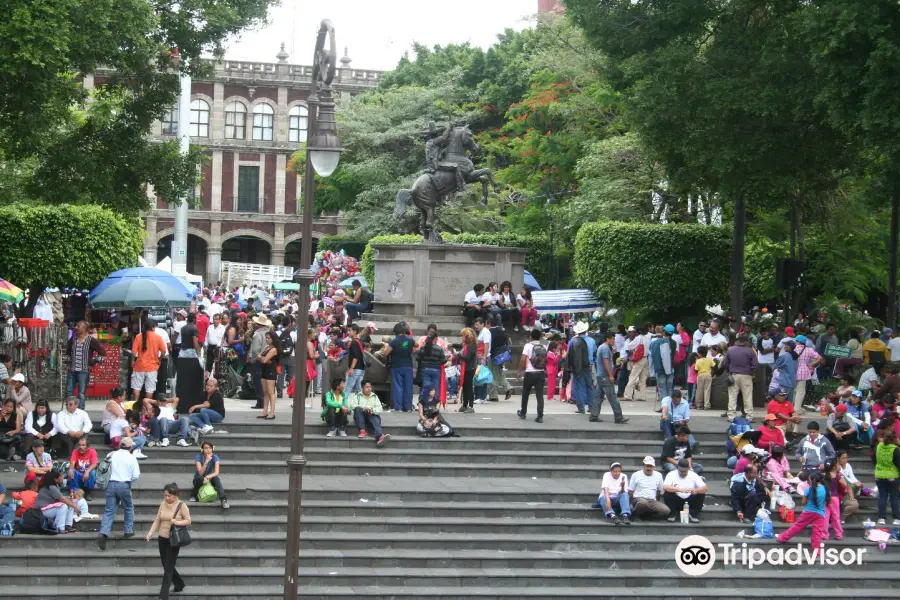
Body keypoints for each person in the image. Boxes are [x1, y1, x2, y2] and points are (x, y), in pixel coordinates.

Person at [146, 483, 192, 599]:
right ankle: (179, 583)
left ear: (175, 495)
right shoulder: (162, 505)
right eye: (165, 495)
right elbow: (157, 520)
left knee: (168, 567)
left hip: (174, 540)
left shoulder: (182, 506)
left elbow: (188, 521)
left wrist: (177, 522)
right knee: (166, 564)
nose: (166, 498)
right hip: (162, 539)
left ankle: (163, 595)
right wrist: (150, 532)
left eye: (169, 496)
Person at [98, 435, 140, 550]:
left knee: (109, 510)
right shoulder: (131, 457)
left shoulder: (111, 454)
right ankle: (128, 530)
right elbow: (136, 475)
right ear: (130, 447)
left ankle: (104, 532)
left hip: (111, 484)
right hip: (124, 484)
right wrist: (129, 482)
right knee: (128, 507)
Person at [776, 471, 829, 555]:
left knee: (797, 526)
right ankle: (817, 552)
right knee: (817, 533)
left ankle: (782, 538)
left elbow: (803, 502)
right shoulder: (825, 489)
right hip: (820, 513)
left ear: (811, 480)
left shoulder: (808, 489)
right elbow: (828, 502)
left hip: (808, 511)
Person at [66, 320, 106, 410]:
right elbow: (68, 352)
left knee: (81, 393)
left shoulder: (91, 340)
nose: (76, 327)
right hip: (72, 370)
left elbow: (103, 354)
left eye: (78, 326)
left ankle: (80, 412)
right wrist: (68, 363)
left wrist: (93, 362)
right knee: (69, 392)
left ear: (84, 329)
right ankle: (69, 410)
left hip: (83, 371)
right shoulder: (73, 338)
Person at [591, 331, 628, 424]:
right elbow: (606, 362)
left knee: (598, 397)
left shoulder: (604, 348)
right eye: (612, 339)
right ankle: (618, 416)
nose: (614, 340)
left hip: (601, 375)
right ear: (607, 339)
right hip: (605, 376)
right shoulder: (604, 348)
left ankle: (594, 415)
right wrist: (611, 375)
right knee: (612, 397)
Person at [724, 334, 758, 421]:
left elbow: (726, 364)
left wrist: (730, 371)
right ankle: (749, 417)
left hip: (733, 375)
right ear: (746, 342)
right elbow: (755, 365)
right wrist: (751, 371)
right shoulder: (750, 351)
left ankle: (731, 416)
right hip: (746, 376)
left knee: (732, 397)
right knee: (747, 397)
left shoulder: (730, 350)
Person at [516, 328, 547, 423]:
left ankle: (523, 412)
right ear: (540, 337)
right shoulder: (544, 347)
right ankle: (540, 416)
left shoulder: (528, 346)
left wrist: (520, 371)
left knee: (525, 393)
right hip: (541, 373)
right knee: (539, 395)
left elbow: (522, 359)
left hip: (530, 373)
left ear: (531, 336)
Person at [382, 323, 415, 412]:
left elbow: (385, 353)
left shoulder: (394, 341)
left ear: (395, 332)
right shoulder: (410, 340)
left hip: (397, 366)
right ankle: (408, 407)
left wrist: (386, 347)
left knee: (398, 386)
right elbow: (415, 348)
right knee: (408, 387)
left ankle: (398, 407)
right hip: (408, 366)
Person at [663, 459, 707, 523]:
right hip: (676, 500)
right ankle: (672, 514)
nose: (683, 473)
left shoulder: (693, 475)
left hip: (690, 500)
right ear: (678, 468)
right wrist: (679, 490)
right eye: (681, 471)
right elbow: (665, 487)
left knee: (701, 493)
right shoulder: (671, 474)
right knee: (667, 493)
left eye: (685, 471)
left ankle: (693, 514)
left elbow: (705, 488)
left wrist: (696, 490)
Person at [35, 469, 80, 533]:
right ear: (55, 479)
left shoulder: (54, 486)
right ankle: (60, 528)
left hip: (49, 509)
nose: (62, 478)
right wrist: (75, 507)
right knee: (64, 505)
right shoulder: (51, 487)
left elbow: (61, 498)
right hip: (42, 511)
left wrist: (70, 499)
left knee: (71, 502)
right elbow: (62, 499)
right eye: (61, 476)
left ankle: (68, 525)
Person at [131, 325, 167, 403]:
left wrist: (132, 361)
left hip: (139, 366)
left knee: (136, 388)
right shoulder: (157, 337)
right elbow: (164, 351)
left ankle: (135, 406)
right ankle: (147, 408)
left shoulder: (138, 336)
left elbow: (133, 352)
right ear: (153, 328)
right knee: (149, 390)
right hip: (152, 367)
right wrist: (159, 359)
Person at [349, 381, 390, 446]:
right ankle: (362, 431)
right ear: (362, 388)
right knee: (357, 409)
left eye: (370, 387)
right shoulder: (358, 396)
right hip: (360, 416)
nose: (369, 389)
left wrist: (371, 410)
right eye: (367, 387)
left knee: (374, 415)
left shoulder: (374, 396)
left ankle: (380, 436)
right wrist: (364, 408)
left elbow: (380, 409)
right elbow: (352, 406)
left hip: (371, 416)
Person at [191, 441, 229, 510]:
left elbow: (217, 472)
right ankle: (193, 495)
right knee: (200, 478)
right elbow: (200, 473)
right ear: (202, 449)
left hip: (209, 478)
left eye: (210, 448)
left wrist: (208, 477)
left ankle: (223, 500)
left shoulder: (215, 457)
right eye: (206, 448)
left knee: (216, 478)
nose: (208, 450)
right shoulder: (198, 457)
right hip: (198, 479)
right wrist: (206, 462)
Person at [873, 429, 900, 525]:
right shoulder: (895, 449)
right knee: (894, 497)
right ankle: (896, 518)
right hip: (892, 476)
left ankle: (881, 518)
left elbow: (874, 460)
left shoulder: (878, 447)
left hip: (879, 475)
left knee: (882, 497)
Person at [793, 335, 824, 411]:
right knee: (800, 391)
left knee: (792, 390)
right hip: (803, 371)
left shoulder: (792, 349)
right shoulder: (809, 350)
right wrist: (811, 364)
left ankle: (791, 407)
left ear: (798, 341)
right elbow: (820, 358)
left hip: (793, 370)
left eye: (795, 341)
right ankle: (796, 408)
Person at [248, 315, 272, 410]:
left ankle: (260, 400)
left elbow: (255, 349)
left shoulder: (257, 334)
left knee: (258, 381)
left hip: (258, 360)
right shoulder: (269, 333)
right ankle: (264, 400)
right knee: (265, 381)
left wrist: (254, 358)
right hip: (267, 359)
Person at [568, 322, 593, 413]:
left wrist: (574, 370)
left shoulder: (574, 341)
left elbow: (575, 357)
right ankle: (592, 406)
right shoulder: (591, 340)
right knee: (589, 386)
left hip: (579, 367)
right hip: (588, 366)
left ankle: (581, 408)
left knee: (579, 387)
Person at [486, 318, 513, 402]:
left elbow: (487, 345)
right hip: (502, 356)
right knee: (499, 373)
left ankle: (493, 395)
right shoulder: (501, 331)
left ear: (489, 323)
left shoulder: (488, 332)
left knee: (491, 375)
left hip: (493, 356)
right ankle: (508, 387)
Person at [649, 324, 677, 403]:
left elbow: (651, 356)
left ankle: (664, 406)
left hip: (660, 369)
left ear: (664, 332)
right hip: (670, 368)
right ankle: (670, 405)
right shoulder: (674, 343)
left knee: (662, 388)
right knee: (669, 388)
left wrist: (651, 372)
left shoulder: (656, 342)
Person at [417, 330, 447, 399]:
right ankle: (433, 405)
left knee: (426, 387)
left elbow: (418, 358)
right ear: (435, 339)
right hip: (436, 370)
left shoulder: (423, 347)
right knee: (436, 388)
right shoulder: (439, 348)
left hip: (425, 369)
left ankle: (423, 403)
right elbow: (443, 360)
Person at [623, 326, 649, 401]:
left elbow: (629, 346)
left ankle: (628, 395)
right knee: (642, 379)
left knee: (632, 377)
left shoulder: (638, 338)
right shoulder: (646, 338)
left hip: (639, 359)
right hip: (645, 359)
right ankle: (642, 396)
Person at [258, 330, 280, 420]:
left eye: (268, 338)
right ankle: (265, 411)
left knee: (271, 392)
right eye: (266, 338)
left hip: (271, 370)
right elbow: (260, 357)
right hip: (264, 370)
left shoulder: (274, 349)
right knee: (265, 392)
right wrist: (263, 359)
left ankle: (272, 412)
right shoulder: (267, 347)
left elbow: (263, 359)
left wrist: (263, 359)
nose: (267, 339)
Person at [835, 450, 861, 521]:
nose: (845, 460)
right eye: (843, 458)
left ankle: (841, 518)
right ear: (838, 459)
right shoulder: (836, 471)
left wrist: (857, 482)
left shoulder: (848, 465)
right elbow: (845, 480)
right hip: (835, 497)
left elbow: (851, 478)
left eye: (846, 458)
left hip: (845, 492)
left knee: (854, 505)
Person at [458, 328, 478, 414]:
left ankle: (470, 406)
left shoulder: (472, 346)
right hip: (466, 369)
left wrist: (458, 354)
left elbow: (467, 358)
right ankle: (465, 404)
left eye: (463, 336)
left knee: (469, 388)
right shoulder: (466, 345)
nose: (462, 338)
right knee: (465, 387)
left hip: (470, 369)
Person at [344, 323, 367, 395]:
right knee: (359, 389)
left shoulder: (354, 342)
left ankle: (343, 405)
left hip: (355, 369)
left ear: (355, 331)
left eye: (350, 330)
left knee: (347, 388)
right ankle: (363, 404)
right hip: (361, 368)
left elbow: (355, 357)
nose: (348, 332)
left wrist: (351, 368)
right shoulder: (358, 341)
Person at [693, 346, 714, 410]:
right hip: (708, 375)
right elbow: (714, 367)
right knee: (707, 390)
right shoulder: (709, 359)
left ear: (700, 354)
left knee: (699, 390)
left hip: (700, 375)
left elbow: (696, 370)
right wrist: (711, 373)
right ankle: (706, 405)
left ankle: (699, 404)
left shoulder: (698, 361)